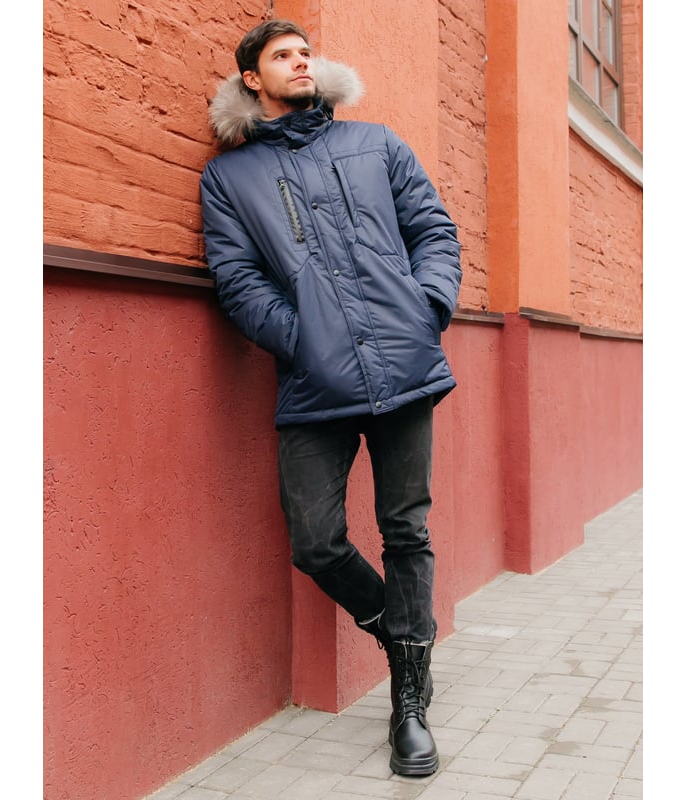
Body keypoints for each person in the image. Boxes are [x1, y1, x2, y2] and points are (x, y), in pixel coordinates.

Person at [198, 19, 461, 778]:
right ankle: (404, 639)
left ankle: (408, 704)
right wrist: (304, 338)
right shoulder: (231, 178)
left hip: (404, 367)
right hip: (315, 380)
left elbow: (433, 231)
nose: (301, 62)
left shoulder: (376, 144)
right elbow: (238, 280)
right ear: (252, 79)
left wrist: (425, 309)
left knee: (405, 529)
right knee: (315, 539)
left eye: (305, 52)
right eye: (282, 56)